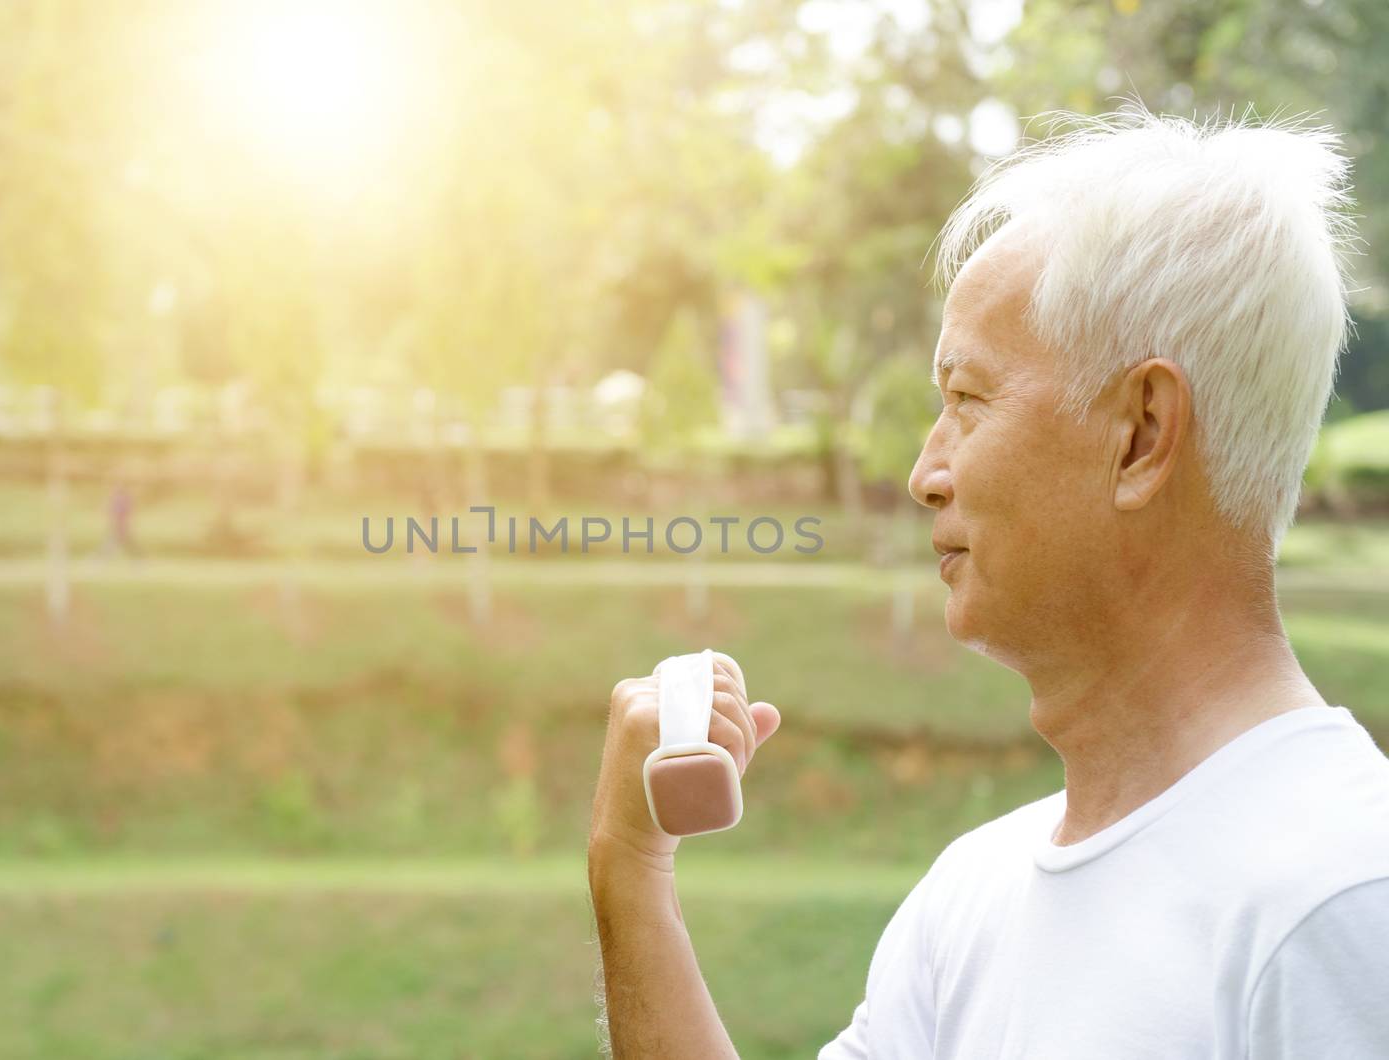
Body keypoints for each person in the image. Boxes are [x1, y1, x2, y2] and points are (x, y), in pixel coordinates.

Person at [586, 104, 1389, 1058]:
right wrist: (629, 871)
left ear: (1139, 435)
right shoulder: (971, 899)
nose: (925, 473)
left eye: (968, 399)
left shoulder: (1341, 903)